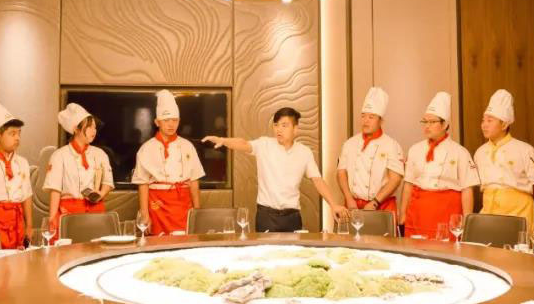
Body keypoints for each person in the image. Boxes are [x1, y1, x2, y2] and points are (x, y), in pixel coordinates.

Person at [203, 107, 345, 232]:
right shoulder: (264, 144)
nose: (279, 129)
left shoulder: (304, 152)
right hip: (266, 215)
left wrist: (333, 205)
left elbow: (317, 180)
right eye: (276, 125)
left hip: (292, 216)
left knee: (293, 253)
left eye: (284, 125)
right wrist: (224, 141)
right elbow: (244, 143)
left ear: (295, 129)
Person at [401, 91, 479, 238]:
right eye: (425, 122)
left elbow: (467, 189)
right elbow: (408, 184)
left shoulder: (460, 152)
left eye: (432, 122)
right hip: (418, 213)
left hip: (447, 213)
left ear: (445, 124)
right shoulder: (415, 149)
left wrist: (467, 220)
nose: (427, 126)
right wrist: (403, 213)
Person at [473, 89, 534, 237]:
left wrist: (524, 203)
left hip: (520, 212)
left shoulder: (525, 150)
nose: (484, 125)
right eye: (483, 120)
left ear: (504, 124)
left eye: (490, 121)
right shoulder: (479, 152)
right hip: (489, 212)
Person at [131, 90, 204, 235]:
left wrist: (197, 211)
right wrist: (144, 214)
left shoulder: (187, 146)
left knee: (184, 242)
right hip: (157, 205)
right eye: (166, 120)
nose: (171, 124)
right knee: (158, 244)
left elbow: (194, 180)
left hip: (183, 204)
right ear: (157, 122)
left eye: (175, 120)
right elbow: (143, 183)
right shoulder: (147, 148)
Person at [44, 103, 114, 236]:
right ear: (76, 129)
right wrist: (52, 218)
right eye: (89, 127)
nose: (94, 131)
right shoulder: (59, 155)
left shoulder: (100, 154)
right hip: (69, 212)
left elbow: (108, 182)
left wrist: (100, 194)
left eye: (95, 127)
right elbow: (55, 189)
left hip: (95, 212)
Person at [337, 87, 404, 222]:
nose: (365, 121)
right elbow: (341, 173)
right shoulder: (349, 143)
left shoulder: (391, 145)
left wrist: (375, 202)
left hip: (382, 206)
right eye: (363, 116)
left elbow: (395, 179)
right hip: (353, 206)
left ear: (381, 121)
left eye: (371, 117)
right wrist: (349, 198)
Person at [0, 100, 33, 249]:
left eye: (19, 133)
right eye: (12, 134)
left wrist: (29, 225)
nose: (17, 138)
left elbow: (27, 195)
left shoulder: (22, 162)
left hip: (17, 222)